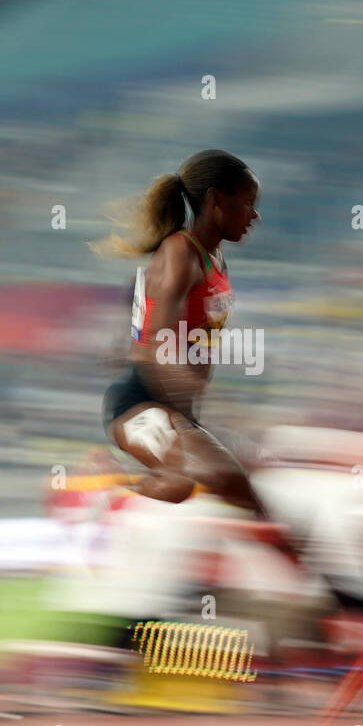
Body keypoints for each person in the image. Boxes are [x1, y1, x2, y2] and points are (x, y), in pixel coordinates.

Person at [97, 149, 267, 514]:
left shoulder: (215, 258)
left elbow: (144, 291)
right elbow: (153, 346)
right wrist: (184, 382)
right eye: (248, 203)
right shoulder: (180, 252)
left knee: (245, 487)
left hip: (181, 412)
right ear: (215, 200)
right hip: (140, 405)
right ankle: (102, 499)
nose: (255, 215)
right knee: (185, 482)